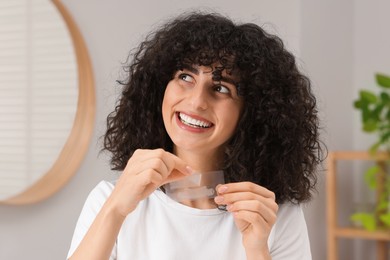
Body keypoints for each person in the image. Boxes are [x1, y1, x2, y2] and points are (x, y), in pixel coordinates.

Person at [67, 11, 324, 260]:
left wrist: (257, 250)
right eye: (185, 76)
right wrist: (115, 210)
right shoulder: (109, 200)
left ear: (254, 112)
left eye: (221, 87)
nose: (196, 101)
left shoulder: (274, 214)